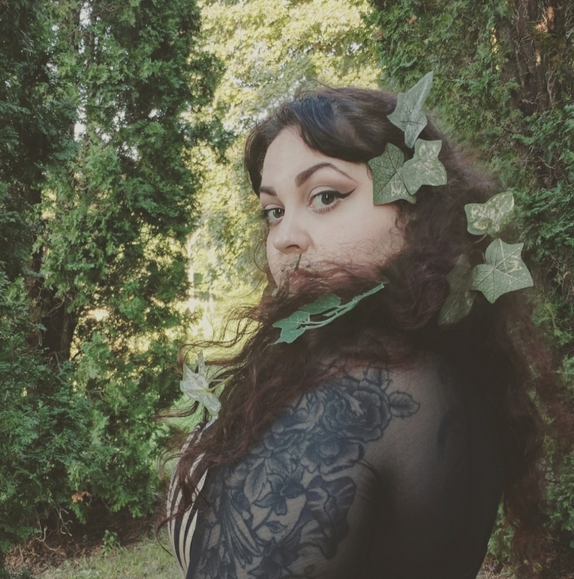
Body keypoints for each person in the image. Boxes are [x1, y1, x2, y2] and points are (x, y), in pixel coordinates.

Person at [165, 83, 557, 579]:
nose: (285, 237)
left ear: (415, 212)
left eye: (326, 196)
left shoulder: (346, 394)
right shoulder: (455, 368)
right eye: (274, 212)